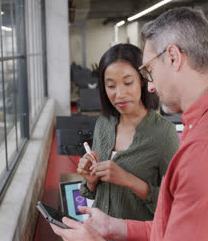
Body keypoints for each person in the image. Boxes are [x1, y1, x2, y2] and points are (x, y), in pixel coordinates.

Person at [51, 7, 208, 240]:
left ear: (174, 58)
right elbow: (175, 224)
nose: (151, 87)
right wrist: (117, 227)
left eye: (149, 71)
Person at [77, 43, 179, 221]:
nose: (119, 94)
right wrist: (91, 180)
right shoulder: (103, 124)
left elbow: (173, 205)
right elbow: (94, 193)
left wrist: (128, 180)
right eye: (111, 86)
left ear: (142, 79)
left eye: (127, 82)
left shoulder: (164, 133)